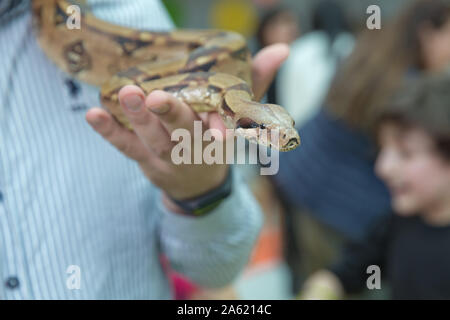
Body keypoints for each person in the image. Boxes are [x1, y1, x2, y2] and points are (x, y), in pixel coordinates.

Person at [0, 0, 289, 299]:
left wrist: (201, 192)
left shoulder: (132, 14)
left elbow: (216, 272)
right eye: (267, 131)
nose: (283, 140)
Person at [271, 0, 450, 292]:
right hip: (338, 198)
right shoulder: (407, 86)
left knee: (315, 275)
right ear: (428, 32)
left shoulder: (374, 52)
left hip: (301, 174)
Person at [300, 71, 450, 300]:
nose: (383, 167)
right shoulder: (398, 222)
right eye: (383, 149)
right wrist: (322, 290)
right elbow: (347, 273)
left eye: (405, 154)